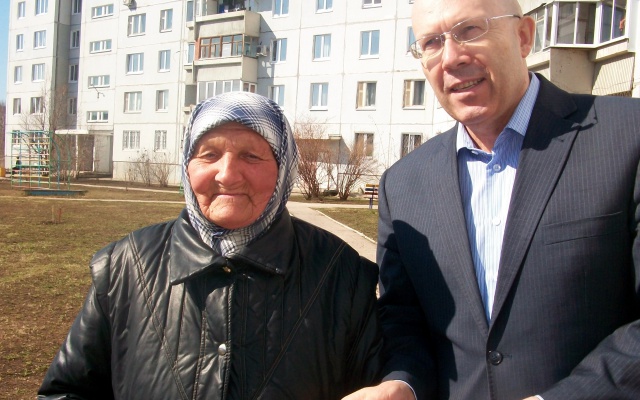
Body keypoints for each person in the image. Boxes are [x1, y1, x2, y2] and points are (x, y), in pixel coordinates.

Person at [344, 0, 640, 398]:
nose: (451, 57)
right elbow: (403, 320)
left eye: (469, 30)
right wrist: (402, 384)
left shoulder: (628, 135)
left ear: (524, 37)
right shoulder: (403, 184)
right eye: (432, 42)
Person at [38, 92, 383, 399]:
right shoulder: (124, 266)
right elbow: (67, 391)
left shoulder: (343, 275)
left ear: (283, 170)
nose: (227, 174)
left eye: (251, 156)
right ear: (188, 166)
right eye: (209, 154)